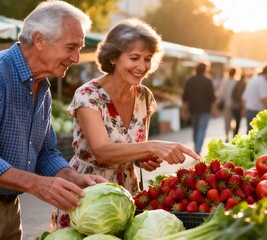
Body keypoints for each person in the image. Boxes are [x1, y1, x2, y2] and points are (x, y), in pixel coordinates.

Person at [0, 2, 108, 239]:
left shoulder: (41, 85)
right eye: (71, 47)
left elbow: (44, 152)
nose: (76, 57)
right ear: (40, 40)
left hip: (9, 206)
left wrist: (73, 178)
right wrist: (36, 184)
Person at [49, 18, 200, 231]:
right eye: (134, 58)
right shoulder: (88, 95)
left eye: (147, 59)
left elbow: (134, 148)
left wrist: (143, 159)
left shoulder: (144, 96)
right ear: (113, 58)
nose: (142, 67)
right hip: (88, 191)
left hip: (127, 191)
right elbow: (101, 151)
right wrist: (152, 147)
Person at [182, 62, 217, 154]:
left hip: (193, 108)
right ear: (206, 70)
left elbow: (186, 97)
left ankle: (196, 146)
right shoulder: (208, 80)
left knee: (195, 128)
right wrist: (214, 109)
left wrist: (184, 111)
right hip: (205, 109)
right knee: (201, 129)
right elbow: (212, 97)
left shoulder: (190, 80)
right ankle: (198, 148)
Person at [241, 65, 267, 132]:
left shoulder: (254, 79)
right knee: (255, 135)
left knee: (250, 133)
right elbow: (265, 100)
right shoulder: (262, 82)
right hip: (256, 112)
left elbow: (244, 98)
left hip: (250, 111)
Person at [217, 67, 238, 142]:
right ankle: (233, 136)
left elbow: (220, 94)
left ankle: (226, 135)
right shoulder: (236, 82)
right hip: (235, 105)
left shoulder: (224, 81)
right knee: (235, 121)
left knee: (227, 121)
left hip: (226, 104)